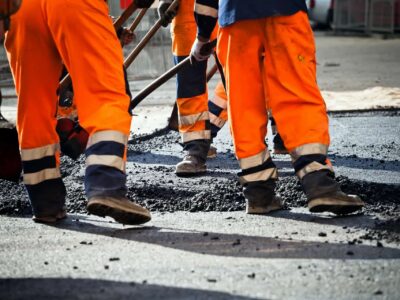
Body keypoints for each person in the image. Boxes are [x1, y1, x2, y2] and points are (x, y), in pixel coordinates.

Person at [190, 0, 365, 215]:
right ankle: (318, 184)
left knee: (243, 105)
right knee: (297, 95)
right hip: (284, 10)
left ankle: (258, 193)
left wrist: (203, 35)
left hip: (234, 19)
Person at [4, 0, 153, 224]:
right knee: (106, 92)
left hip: (21, 10)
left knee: (34, 104)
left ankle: (45, 201)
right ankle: (106, 184)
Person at [158, 0, 228, 176]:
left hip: (230, 8)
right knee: (189, 83)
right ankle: (195, 148)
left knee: (239, 77)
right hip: (187, 10)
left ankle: (255, 159)